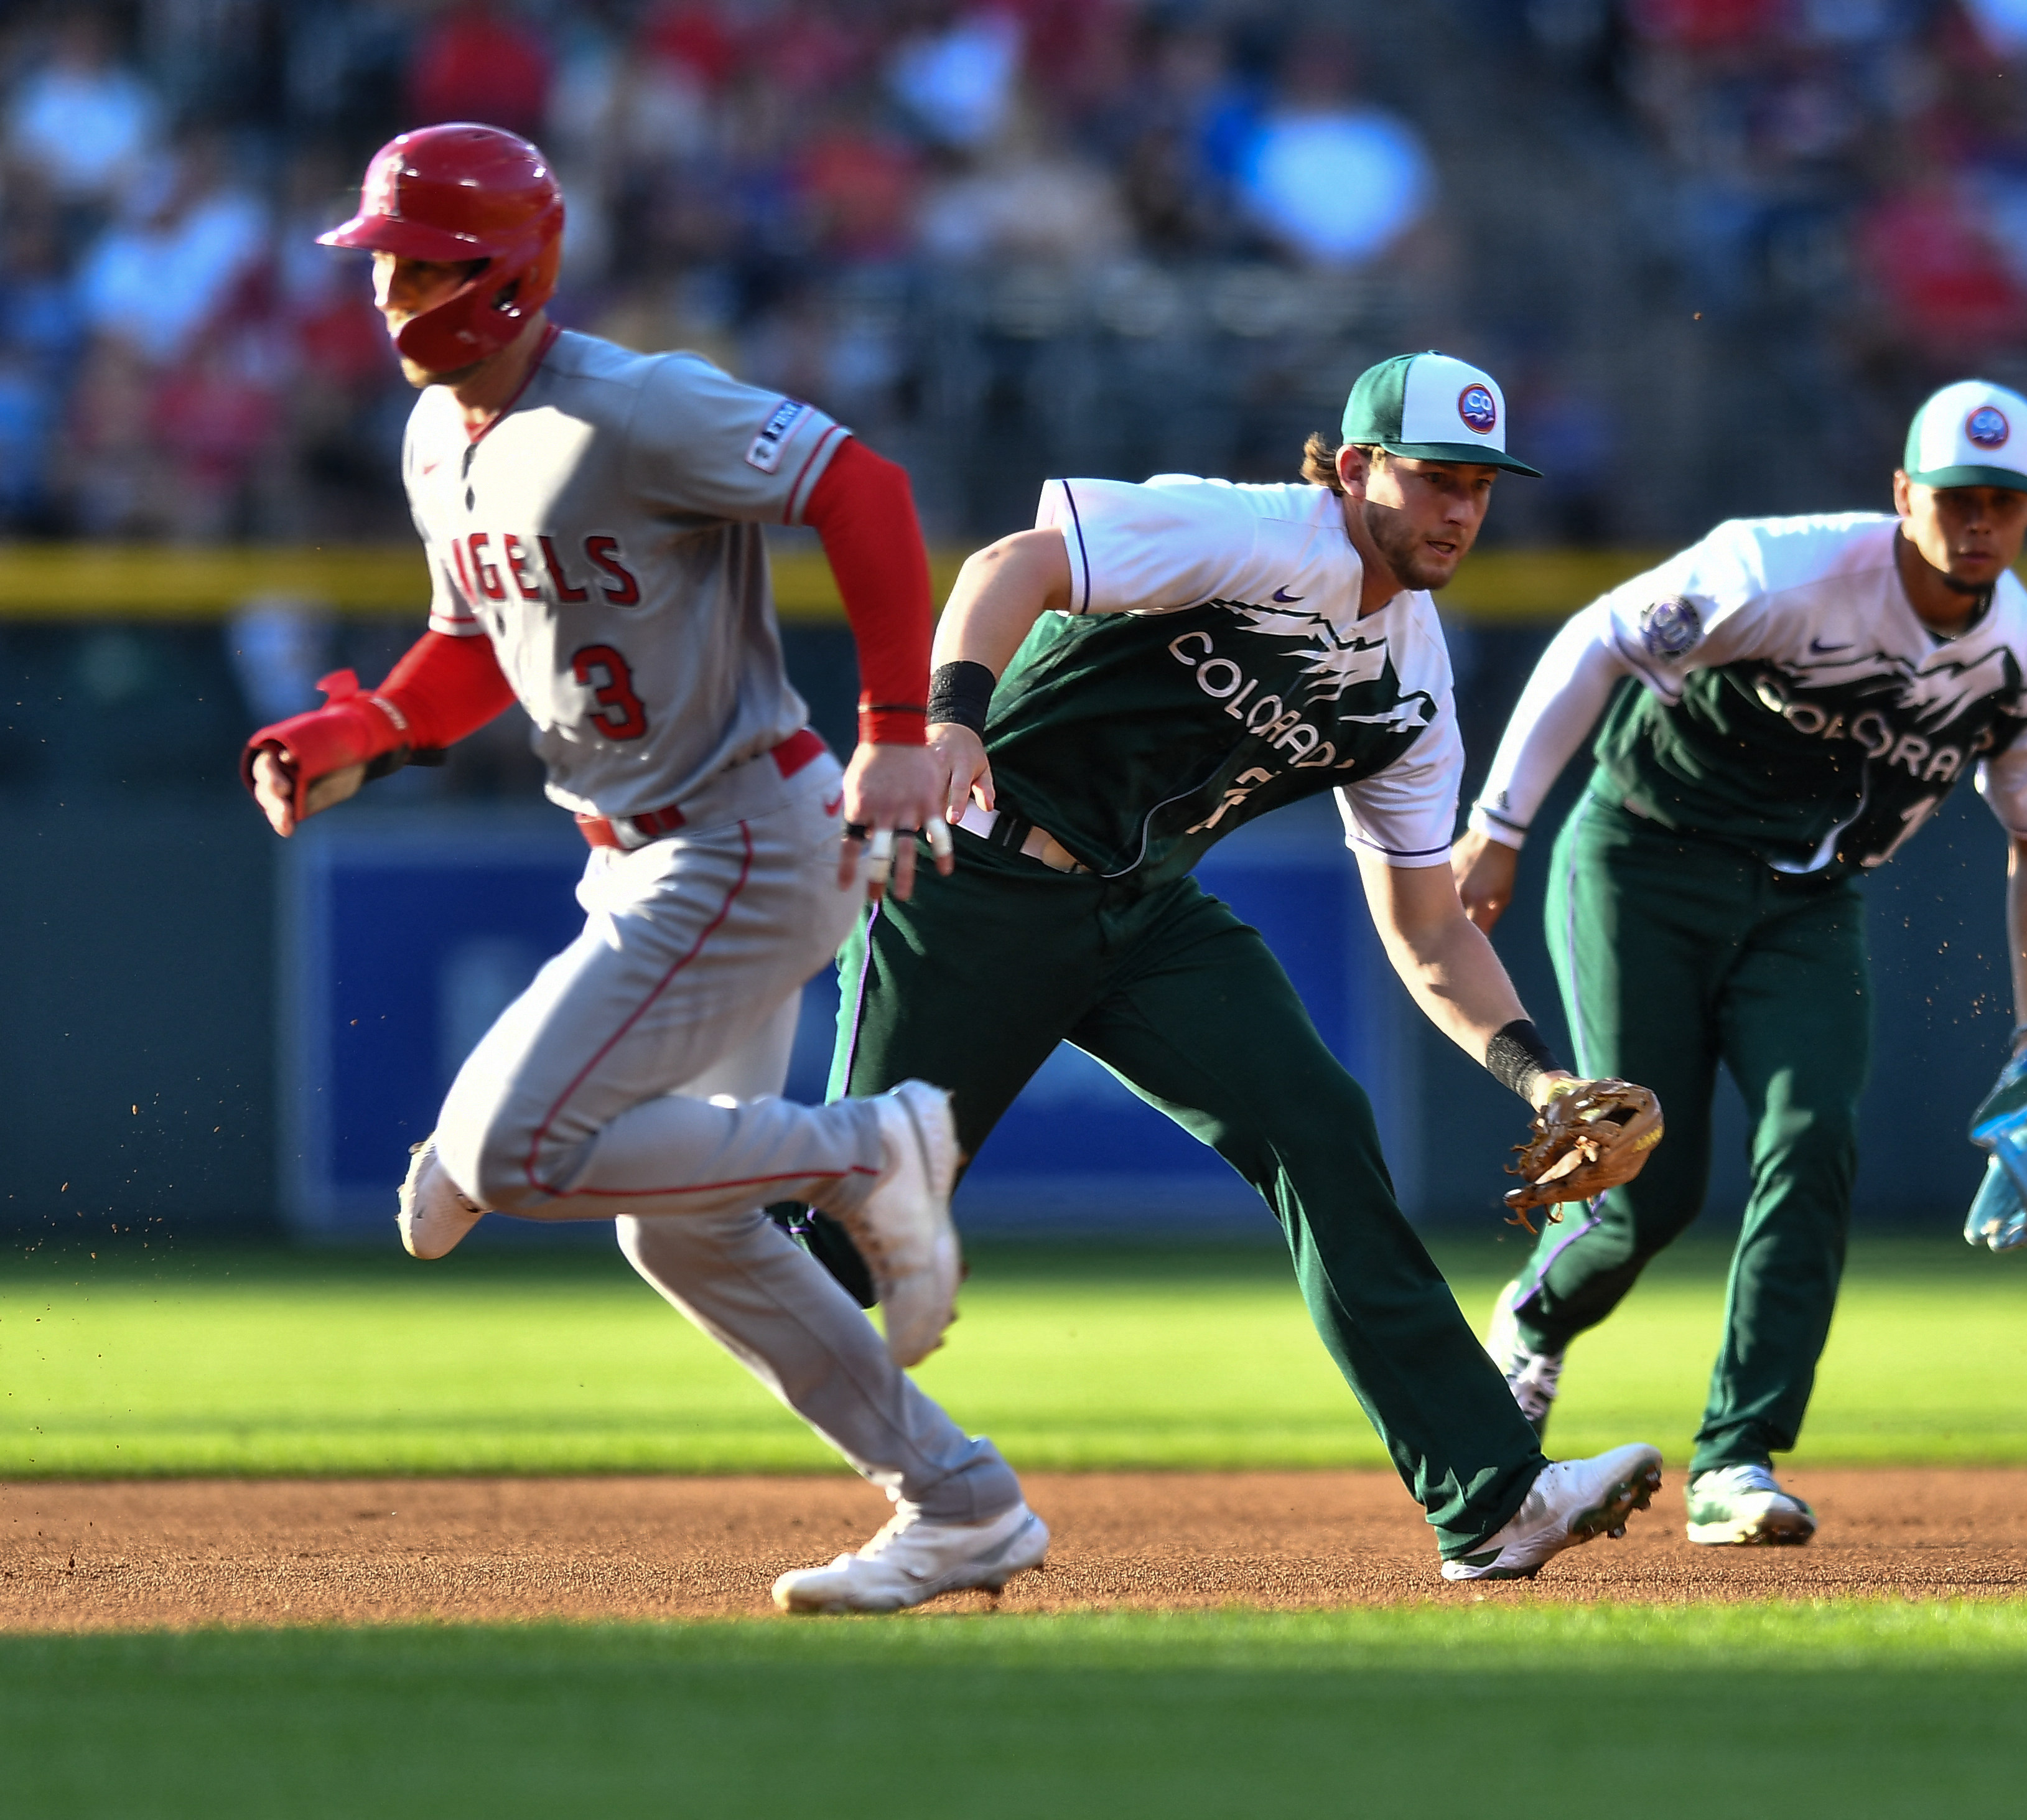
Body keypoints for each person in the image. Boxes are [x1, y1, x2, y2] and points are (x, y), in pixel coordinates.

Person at [244, 123, 1040, 1616]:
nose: (387, 290)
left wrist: (893, 726)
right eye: (381, 263)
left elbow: (860, 488)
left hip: (744, 832)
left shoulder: (632, 404)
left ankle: (871, 1145)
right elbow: (478, 643)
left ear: (501, 270)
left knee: (508, 1153)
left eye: (415, 262)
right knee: (678, 1226)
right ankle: (959, 1502)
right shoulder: (437, 433)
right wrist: (372, 725)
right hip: (638, 854)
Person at [831, 352, 1668, 1581]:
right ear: (1354, 465)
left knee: (1319, 1125)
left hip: (1146, 911)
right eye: (1435, 477)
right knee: (846, 1238)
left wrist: (1543, 1081)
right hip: (977, 878)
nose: (1458, 510)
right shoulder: (1251, 531)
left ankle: (1494, 1500)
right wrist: (950, 713)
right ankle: (614, 1158)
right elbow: (1010, 564)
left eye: (1479, 487)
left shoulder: (1413, 685)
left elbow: (1430, 928)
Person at [1453, 379, 2027, 1547]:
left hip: (1806, 902)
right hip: (1643, 856)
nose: (1979, 520)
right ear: (1904, 494)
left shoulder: (2023, 664)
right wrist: (1499, 823)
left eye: (2004, 499)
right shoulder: (1779, 568)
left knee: (1815, 1133)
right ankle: (1536, 1325)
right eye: (1956, 494)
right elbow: (1601, 636)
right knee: (1651, 1177)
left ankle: (1736, 1455)